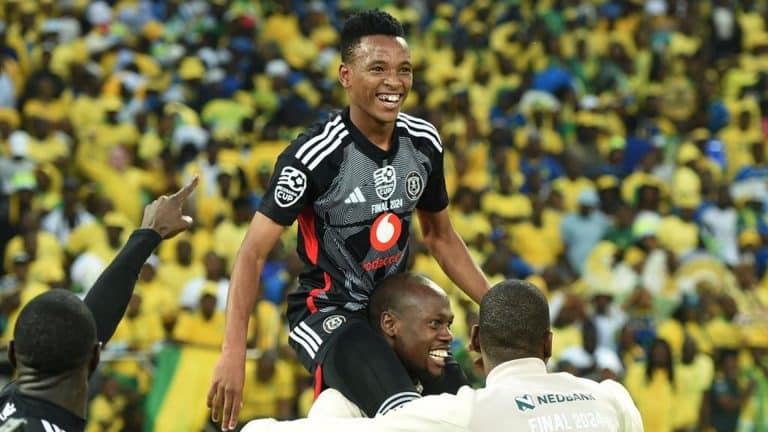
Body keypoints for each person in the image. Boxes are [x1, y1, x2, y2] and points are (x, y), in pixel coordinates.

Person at [208, 9, 489, 430]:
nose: (394, 82)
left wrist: (496, 307)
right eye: (378, 68)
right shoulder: (313, 157)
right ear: (346, 75)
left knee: (463, 410)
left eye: (404, 69)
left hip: (396, 313)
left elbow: (441, 237)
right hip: (329, 313)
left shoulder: (423, 143)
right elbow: (252, 253)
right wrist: (233, 352)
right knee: (404, 413)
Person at [241, 279, 644, 432]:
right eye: (435, 324)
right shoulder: (611, 397)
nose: (446, 335)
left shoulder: (464, 413)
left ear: (476, 340)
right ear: (549, 344)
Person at [0, 178, 198, 432]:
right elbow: (92, 323)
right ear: (95, 357)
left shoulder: (9, 404)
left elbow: (96, 316)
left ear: (13, 354)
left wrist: (149, 235)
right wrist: (149, 234)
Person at [308, 272, 464, 418]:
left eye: (448, 325)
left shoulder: (438, 393)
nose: (448, 336)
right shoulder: (339, 406)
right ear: (390, 324)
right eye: (435, 323)